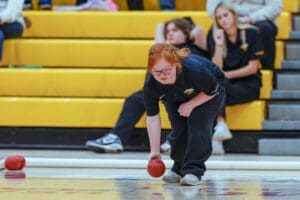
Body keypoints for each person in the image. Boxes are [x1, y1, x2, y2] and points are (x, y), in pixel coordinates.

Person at [85, 18, 208, 153]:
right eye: (168, 31)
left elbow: (199, 30)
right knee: (136, 99)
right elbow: (159, 42)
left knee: (181, 100)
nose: (170, 34)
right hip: (170, 86)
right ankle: (116, 138)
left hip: (193, 88)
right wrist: (163, 26)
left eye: (175, 30)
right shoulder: (166, 51)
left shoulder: (195, 45)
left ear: (186, 33)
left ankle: (180, 140)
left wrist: (185, 28)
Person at [144, 43, 225, 186]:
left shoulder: (194, 69)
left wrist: (191, 104)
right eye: (157, 72)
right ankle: (178, 168)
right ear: (151, 70)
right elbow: (152, 118)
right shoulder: (151, 85)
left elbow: (213, 90)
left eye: (167, 70)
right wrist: (154, 152)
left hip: (210, 91)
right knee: (179, 128)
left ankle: (193, 171)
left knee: (197, 125)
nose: (163, 75)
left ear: (175, 64)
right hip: (177, 94)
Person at [207, 3, 264, 154]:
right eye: (219, 17)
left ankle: (217, 132)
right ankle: (219, 130)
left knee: (213, 91)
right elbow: (216, 68)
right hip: (225, 86)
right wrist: (219, 45)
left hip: (249, 84)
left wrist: (225, 75)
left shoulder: (252, 33)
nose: (222, 20)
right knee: (214, 89)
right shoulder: (215, 35)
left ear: (234, 15)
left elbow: (252, 68)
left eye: (225, 15)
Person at [206, 0, 282, 69]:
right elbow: (211, 8)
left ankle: (267, 70)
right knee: (214, 31)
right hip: (229, 16)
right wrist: (231, 17)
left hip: (260, 18)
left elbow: (276, 7)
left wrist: (252, 18)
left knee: (265, 29)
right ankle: (216, 73)